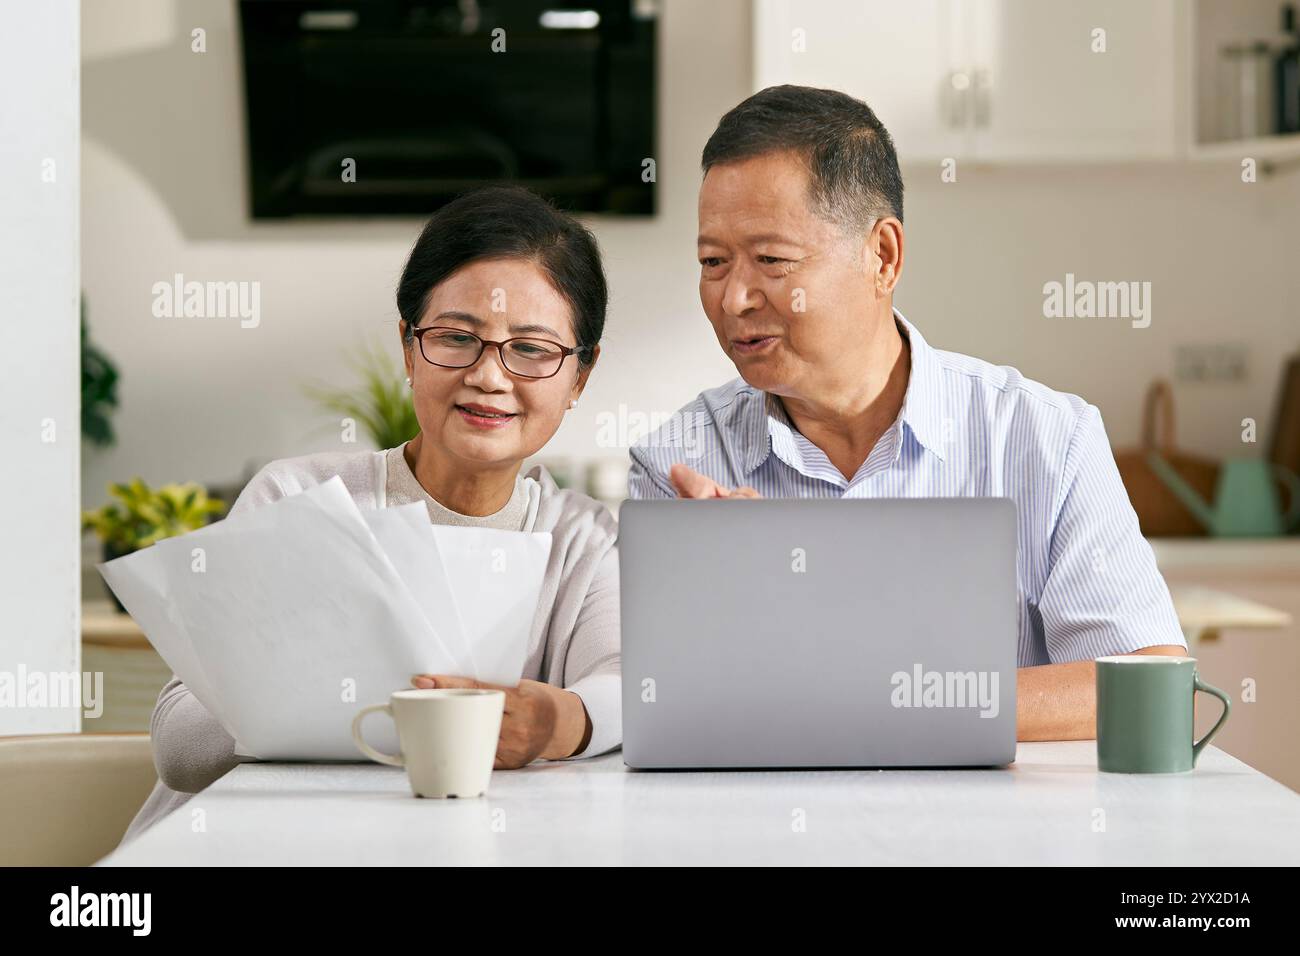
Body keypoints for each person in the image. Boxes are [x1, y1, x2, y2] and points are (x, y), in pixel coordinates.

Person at [628, 86, 1186, 741]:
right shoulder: (681, 465)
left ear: (883, 256)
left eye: (771, 260)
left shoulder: (1044, 438)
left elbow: (1149, 686)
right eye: (712, 263)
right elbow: (663, 708)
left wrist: (888, 697)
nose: (734, 298)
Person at [122, 185, 620, 842]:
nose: (489, 376)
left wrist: (553, 722)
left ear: (580, 376)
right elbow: (179, 747)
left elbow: (624, 690)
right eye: (455, 337)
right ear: (409, 350)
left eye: (531, 348)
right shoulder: (297, 499)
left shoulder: (587, 540)